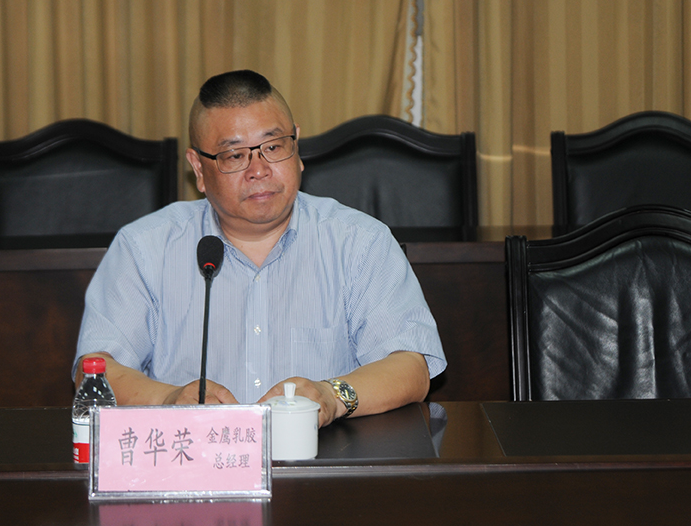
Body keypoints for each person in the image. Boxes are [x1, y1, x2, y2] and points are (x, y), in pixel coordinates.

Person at [74, 70, 446, 427]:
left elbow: (411, 367)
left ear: (296, 146)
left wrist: (331, 396)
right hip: (193, 460)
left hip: (327, 459)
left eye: (273, 147)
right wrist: (170, 400)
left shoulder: (359, 242)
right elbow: (95, 368)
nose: (259, 170)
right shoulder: (144, 249)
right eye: (235, 155)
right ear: (198, 169)